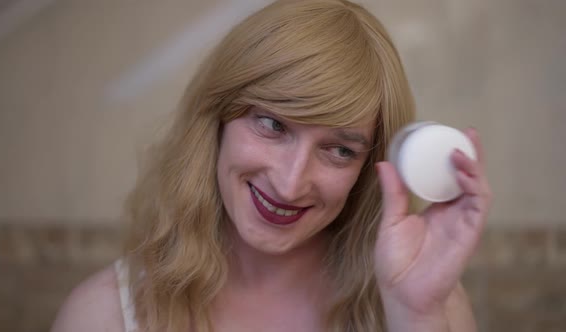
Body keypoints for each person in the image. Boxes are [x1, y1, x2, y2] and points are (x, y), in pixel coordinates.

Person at [51, 0, 492, 331]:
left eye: (339, 150)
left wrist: (414, 317)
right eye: (271, 125)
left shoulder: (430, 310)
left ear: (369, 170)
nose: (290, 181)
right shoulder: (103, 315)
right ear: (217, 119)